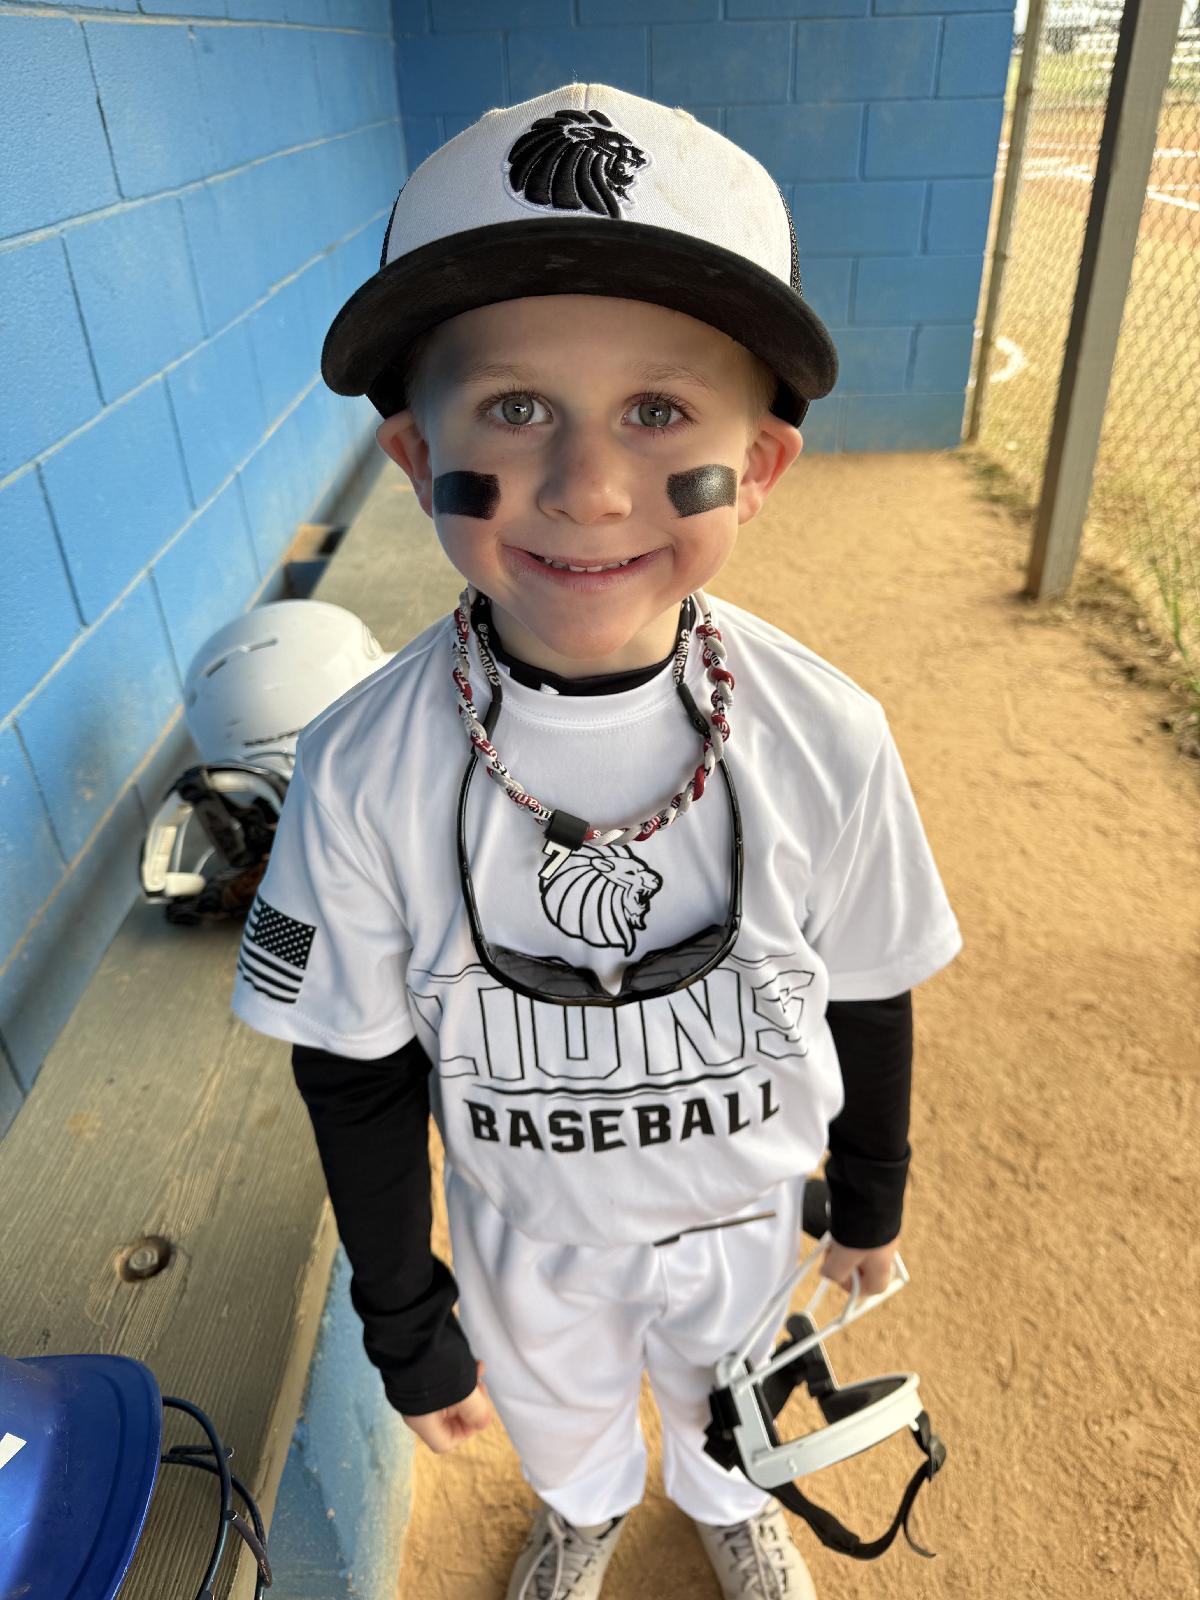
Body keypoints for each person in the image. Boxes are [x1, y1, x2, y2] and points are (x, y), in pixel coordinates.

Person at [230, 82, 963, 1600]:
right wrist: (405, 1318)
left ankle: (725, 1499)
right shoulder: (364, 770)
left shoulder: (826, 733)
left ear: (760, 464)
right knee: (564, 1425)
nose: (588, 489)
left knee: (731, 1406)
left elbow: (869, 987)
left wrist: (871, 1194)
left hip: (747, 1219)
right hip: (530, 1232)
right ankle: (582, 1513)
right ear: (414, 457)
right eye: (513, 407)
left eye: (658, 410)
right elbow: (354, 1070)